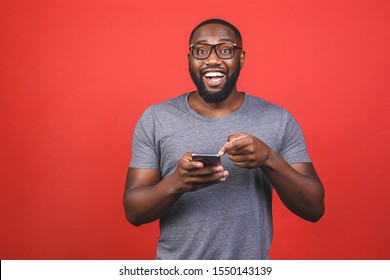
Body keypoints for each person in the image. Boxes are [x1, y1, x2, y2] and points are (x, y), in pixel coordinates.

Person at [123, 18, 325, 260]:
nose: (212, 59)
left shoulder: (278, 119)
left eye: (225, 50)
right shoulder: (156, 118)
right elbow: (134, 211)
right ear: (189, 60)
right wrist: (176, 182)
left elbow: (314, 208)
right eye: (200, 51)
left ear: (241, 58)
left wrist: (269, 159)